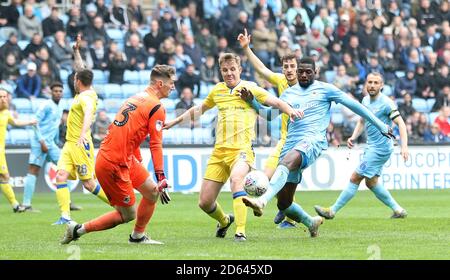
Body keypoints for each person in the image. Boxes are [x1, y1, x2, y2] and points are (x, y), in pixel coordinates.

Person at [242, 59, 395, 238]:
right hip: (291, 143)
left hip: (312, 141)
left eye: (308, 71)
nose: (304, 75)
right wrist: (253, 102)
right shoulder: (288, 94)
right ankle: (311, 222)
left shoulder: (326, 89)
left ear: (316, 71)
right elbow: (269, 115)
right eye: (301, 72)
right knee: (284, 203)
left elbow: (356, 106)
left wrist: (380, 125)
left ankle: (262, 200)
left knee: (286, 162)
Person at [164, 53, 303, 242]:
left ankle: (240, 231)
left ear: (240, 70)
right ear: (221, 71)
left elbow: (276, 102)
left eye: (232, 69)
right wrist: (175, 121)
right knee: (205, 203)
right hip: (219, 152)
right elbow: (199, 109)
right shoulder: (217, 91)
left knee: (237, 180)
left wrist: (291, 110)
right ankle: (224, 221)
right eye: (225, 70)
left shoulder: (250, 88)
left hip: (242, 151)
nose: (229, 73)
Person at [61, 65, 174, 245]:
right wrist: (161, 176)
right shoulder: (157, 107)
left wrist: (137, 158)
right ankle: (78, 229)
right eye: (171, 83)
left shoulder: (135, 97)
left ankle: (137, 236)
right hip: (114, 163)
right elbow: (155, 143)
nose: (173, 86)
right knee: (128, 214)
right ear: (160, 83)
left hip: (122, 157)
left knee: (152, 193)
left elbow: (125, 129)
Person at [314, 72, 409, 220]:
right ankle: (398, 210)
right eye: (369, 82)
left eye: (376, 83)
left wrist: (404, 147)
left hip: (380, 149)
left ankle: (332, 211)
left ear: (382, 86)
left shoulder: (386, 103)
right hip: (372, 147)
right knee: (371, 183)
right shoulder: (365, 100)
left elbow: (401, 124)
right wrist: (353, 136)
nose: (372, 85)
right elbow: (362, 121)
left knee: (355, 177)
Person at [238, 28, 298, 229]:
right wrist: (247, 48)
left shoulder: (308, 89)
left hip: (300, 142)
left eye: (292, 66)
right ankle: (280, 208)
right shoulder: (281, 81)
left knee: (286, 180)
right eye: (286, 66)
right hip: (284, 139)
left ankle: (286, 215)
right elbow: (262, 70)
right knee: (270, 176)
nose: (289, 70)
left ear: (298, 69)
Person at [53, 35, 109, 225]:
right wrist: (76, 50)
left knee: (89, 183)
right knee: (60, 176)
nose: (74, 77)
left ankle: (118, 205)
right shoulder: (85, 90)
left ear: (77, 81)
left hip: (80, 143)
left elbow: (87, 115)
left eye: (75, 77)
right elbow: (81, 68)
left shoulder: (86, 98)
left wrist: (84, 133)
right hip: (70, 143)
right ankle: (65, 217)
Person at [21, 82, 63, 211]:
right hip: (39, 143)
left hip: (51, 143)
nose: (58, 93)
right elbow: (34, 123)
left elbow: (55, 126)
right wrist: (42, 141)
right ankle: (26, 204)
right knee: (34, 170)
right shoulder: (45, 105)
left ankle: (66, 202)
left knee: (64, 169)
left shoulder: (60, 107)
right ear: (51, 92)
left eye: (60, 91)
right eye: (55, 91)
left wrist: (55, 141)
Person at [0, 89, 36, 212]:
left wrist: (30, 121)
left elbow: (15, 122)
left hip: (1, 152)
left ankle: (15, 205)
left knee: (4, 177)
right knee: (4, 176)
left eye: (5, 96)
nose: (3, 99)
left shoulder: (5, 112)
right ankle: (15, 205)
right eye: (1, 97)